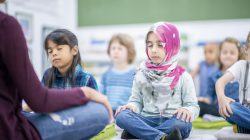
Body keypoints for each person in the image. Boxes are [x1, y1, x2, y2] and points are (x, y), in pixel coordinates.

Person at [0, 1, 113, 140]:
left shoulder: (86, 78)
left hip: (69, 116)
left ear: (74, 50)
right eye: (50, 51)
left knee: (96, 111)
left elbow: (91, 105)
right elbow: (39, 102)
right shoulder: (48, 74)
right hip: (28, 123)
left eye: (59, 49)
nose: (54, 53)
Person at [115, 22, 199, 140]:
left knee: (183, 124)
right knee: (121, 116)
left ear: (172, 46)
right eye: (150, 45)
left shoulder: (184, 76)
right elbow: (136, 101)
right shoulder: (141, 74)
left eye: (160, 45)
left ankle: (138, 133)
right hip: (147, 120)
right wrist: (132, 106)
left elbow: (193, 106)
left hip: (172, 121)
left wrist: (188, 110)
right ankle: (162, 137)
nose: (154, 50)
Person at [199, 37, 245, 117]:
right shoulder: (213, 76)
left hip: (236, 110)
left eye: (232, 53)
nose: (228, 55)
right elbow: (209, 98)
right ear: (219, 54)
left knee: (236, 108)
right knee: (197, 105)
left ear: (238, 55)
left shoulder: (242, 74)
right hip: (219, 110)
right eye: (224, 52)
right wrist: (201, 100)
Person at [216, 32, 250, 134]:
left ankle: (244, 127)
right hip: (244, 111)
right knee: (229, 108)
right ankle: (244, 126)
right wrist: (222, 98)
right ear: (246, 49)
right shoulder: (242, 65)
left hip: (245, 117)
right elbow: (220, 82)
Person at [99, 33, 136, 113]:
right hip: (108, 112)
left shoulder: (135, 74)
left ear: (129, 52)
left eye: (120, 48)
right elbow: (100, 96)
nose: (116, 51)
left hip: (126, 112)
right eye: (113, 48)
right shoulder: (106, 75)